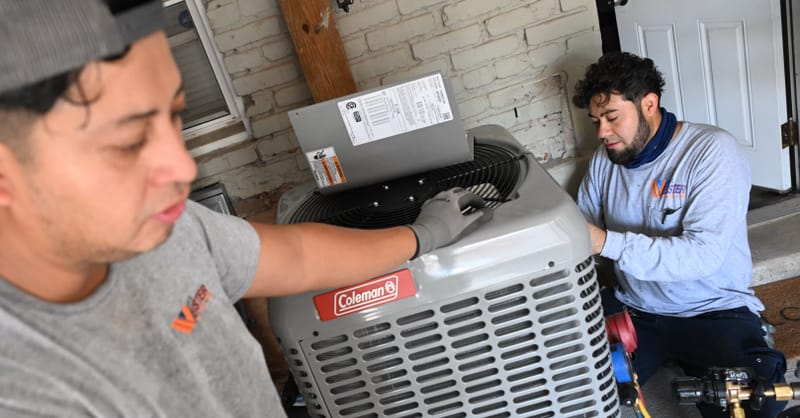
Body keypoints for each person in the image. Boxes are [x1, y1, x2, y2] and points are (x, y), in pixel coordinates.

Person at [0, 1, 492, 416]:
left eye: (175, 115)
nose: (181, 167)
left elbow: (298, 255)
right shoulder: (25, 387)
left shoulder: (165, 229)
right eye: (129, 142)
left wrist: (424, 235)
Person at [572, 51, 788, 417]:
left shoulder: (710, 152)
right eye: (596, 121)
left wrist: (608, 242)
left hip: (713, 310)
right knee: (573, 390)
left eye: (612, 118)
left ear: (649, 104)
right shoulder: (604, 161)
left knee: (757, 398)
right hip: (636, 311)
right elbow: (583, 233)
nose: (602, 132)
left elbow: (701, 256)